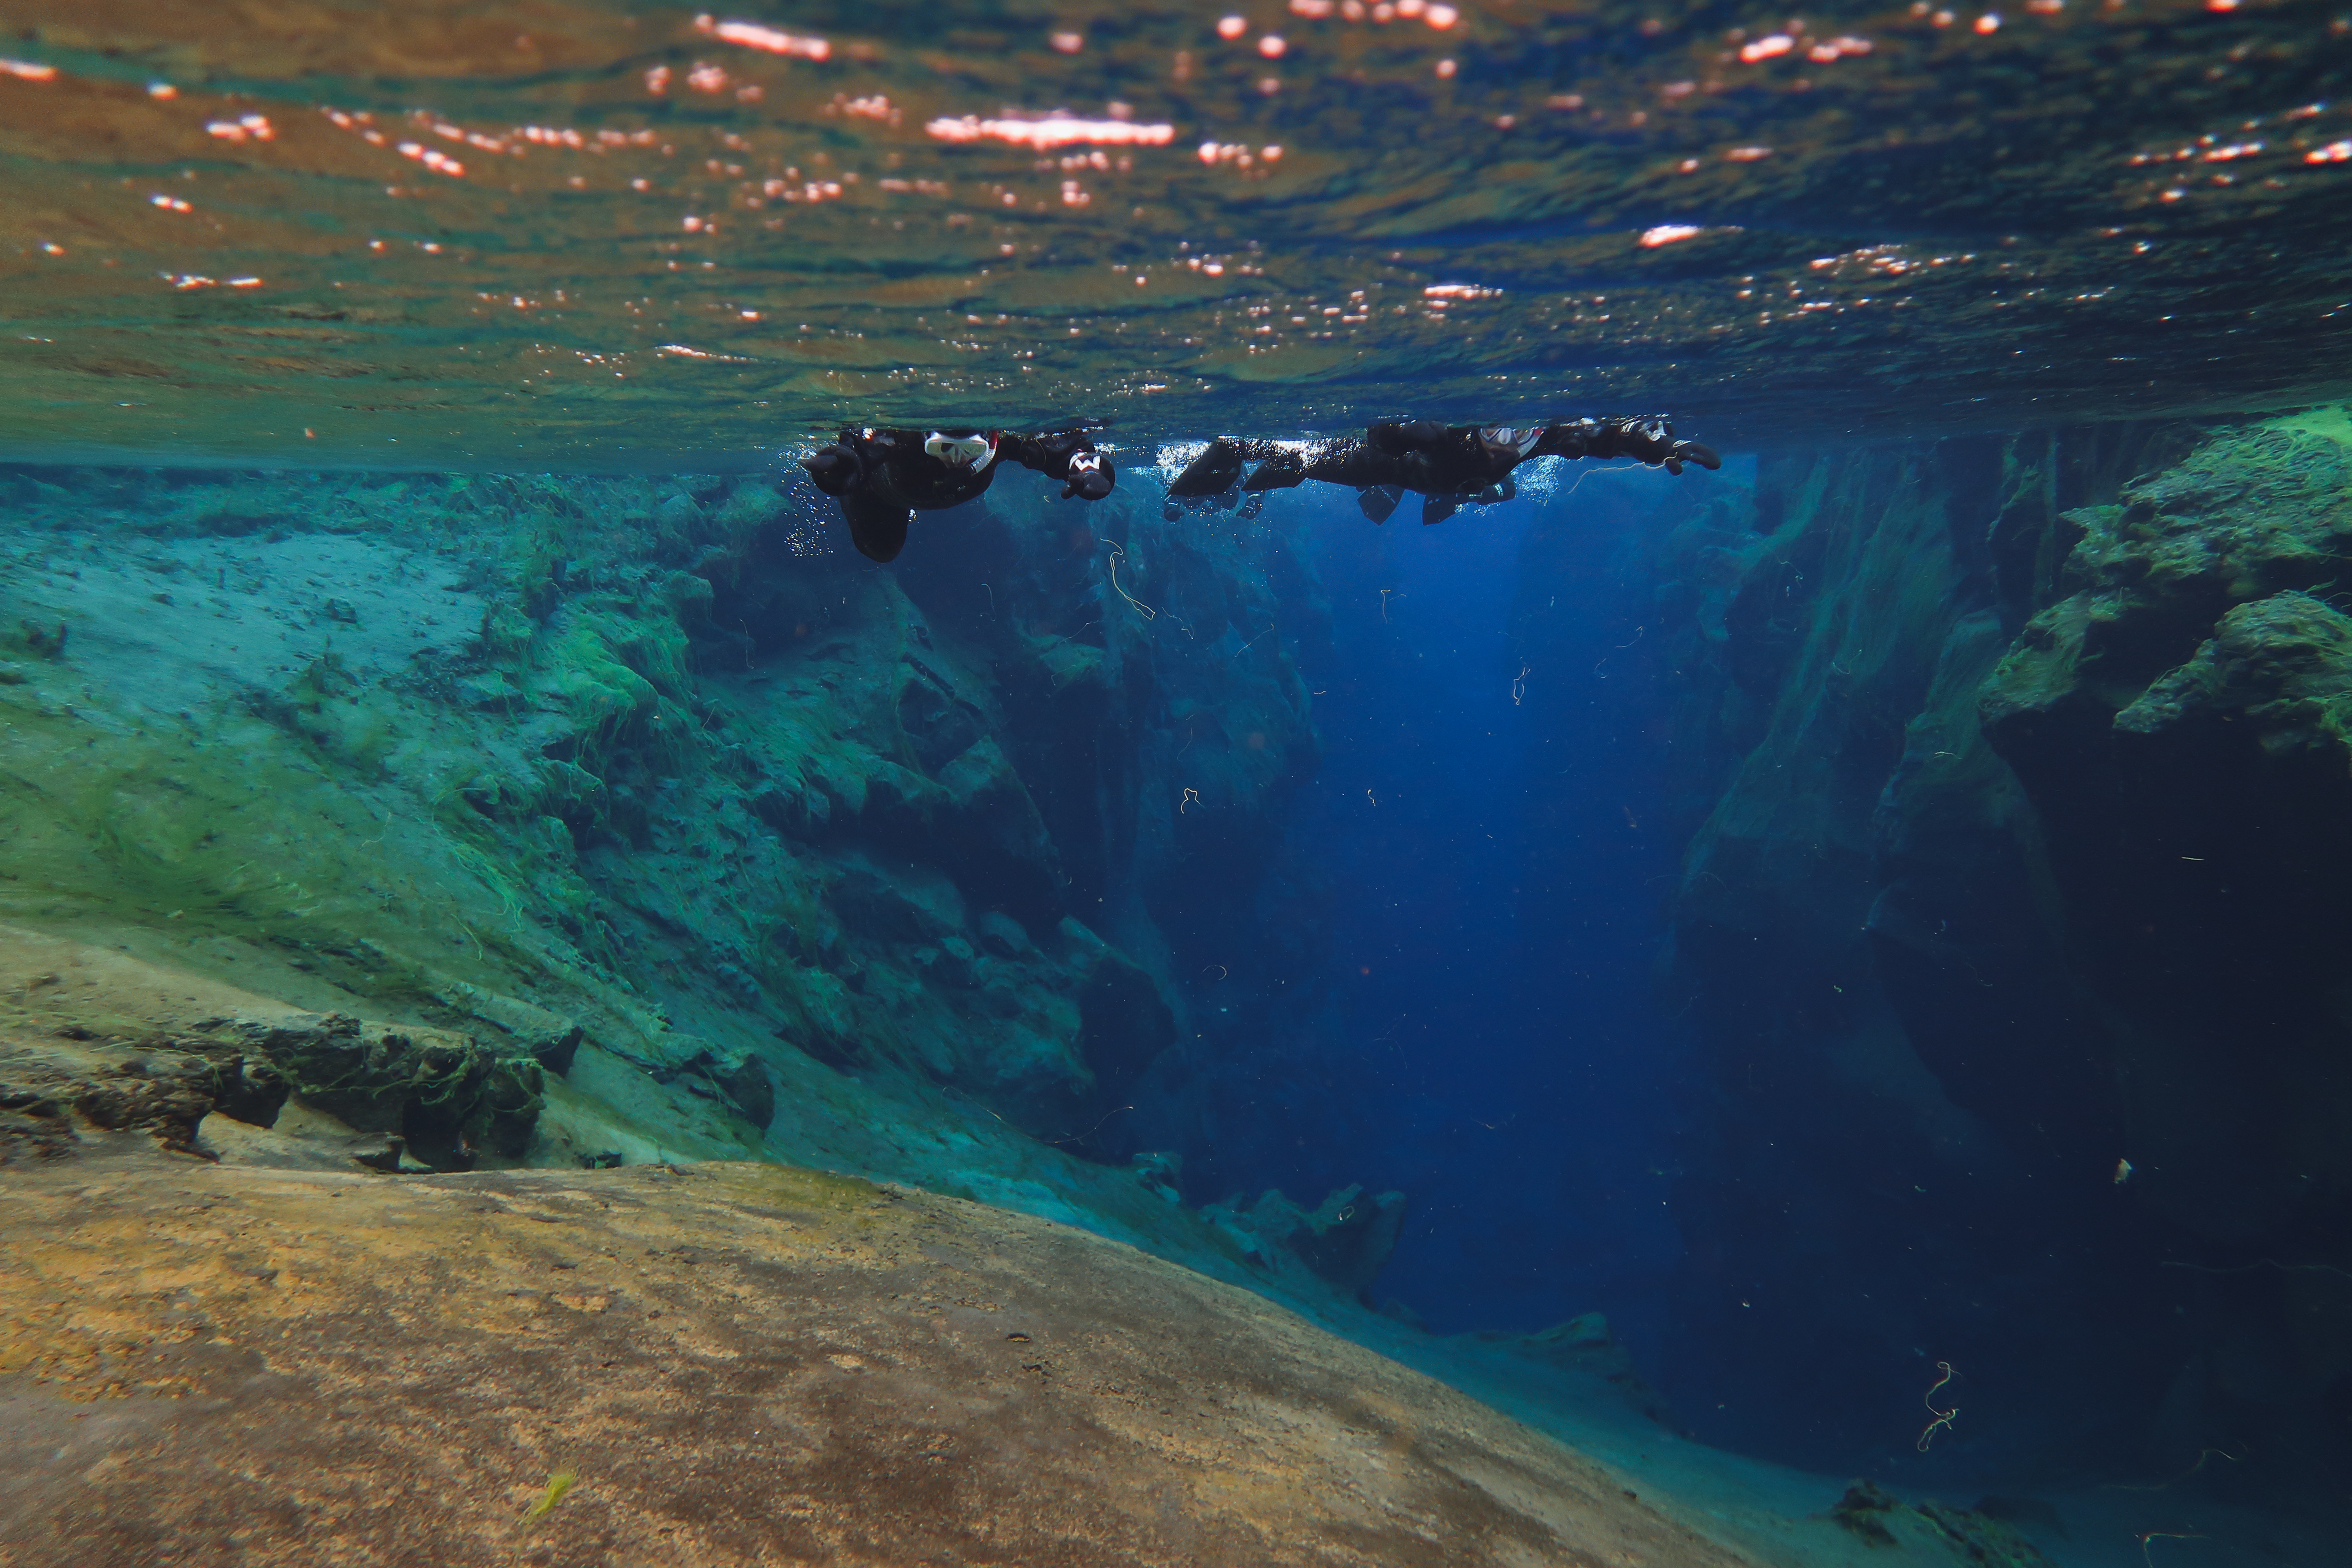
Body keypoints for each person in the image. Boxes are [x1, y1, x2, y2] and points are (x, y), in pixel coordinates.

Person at [1162, 416, 1719, 524]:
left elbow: (1603, 436)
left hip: (1409, 475)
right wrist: (1398, 431)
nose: (1510, 443)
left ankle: (1219, 494)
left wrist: (1657, 446)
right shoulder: (1452, 435)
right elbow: (1389, 435)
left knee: (1290, 464)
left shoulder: (1541, 438)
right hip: (1375, 464)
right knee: (1272, 454)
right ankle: (1193, 493)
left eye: (1521, 435)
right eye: (1501, 431)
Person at [799, 425, 1115, 562]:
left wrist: (1090, 472)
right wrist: (840, 472)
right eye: (943, 448)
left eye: (969, 450)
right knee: (881, 550)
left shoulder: (1003, 441)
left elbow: (1065, 448)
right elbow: (857, 447)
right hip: (882, 495)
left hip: (918, 494)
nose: (956, 459)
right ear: (925, 439)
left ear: (989, 442)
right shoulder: (897, 439)